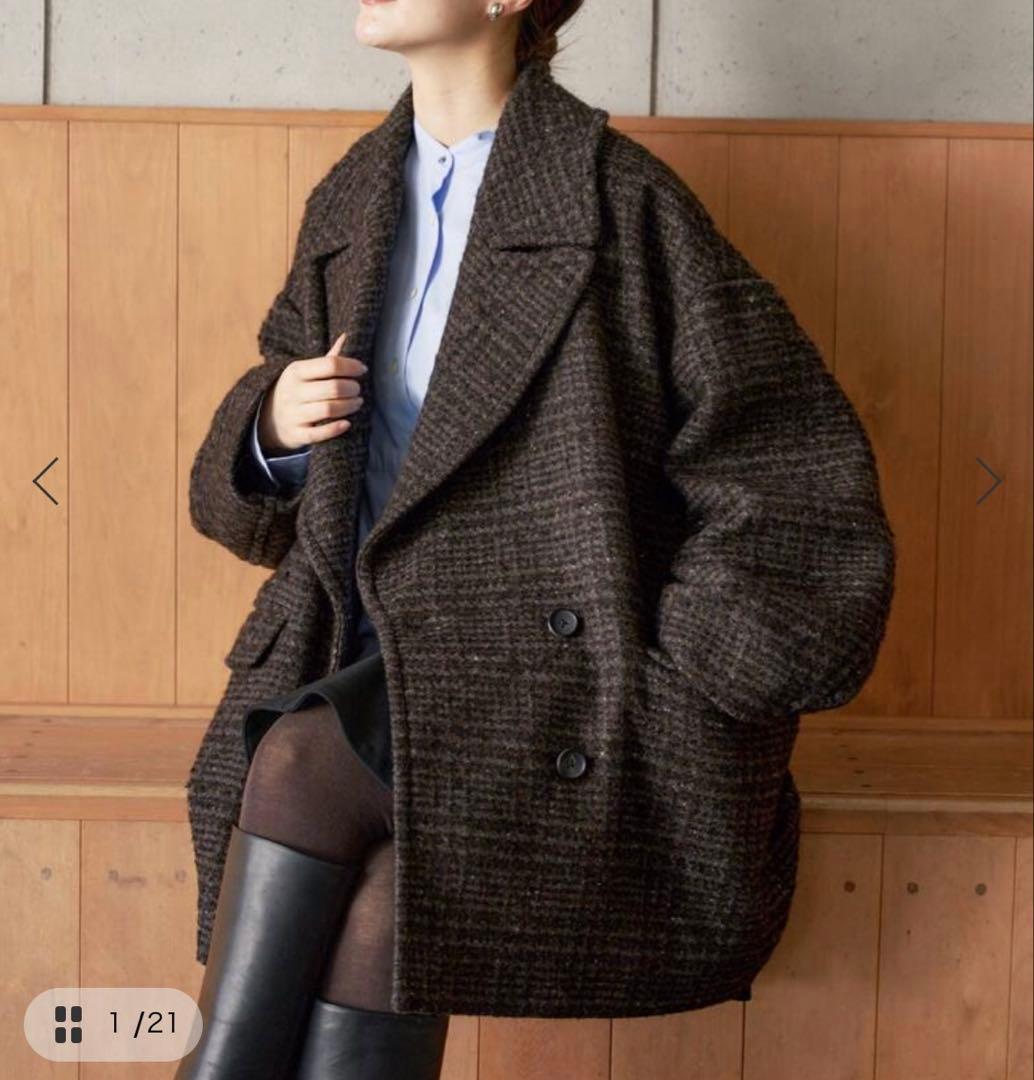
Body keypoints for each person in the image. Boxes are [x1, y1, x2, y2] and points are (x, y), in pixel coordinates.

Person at [180, 0, 896, 1076]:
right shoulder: (352, 198)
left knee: (294, 763)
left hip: (552, 682)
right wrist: (270, 428)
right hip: (362, 645)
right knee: (387, 906)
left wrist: (671, 667)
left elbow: (793, 480)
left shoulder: (622, 204)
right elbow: (250, 510)